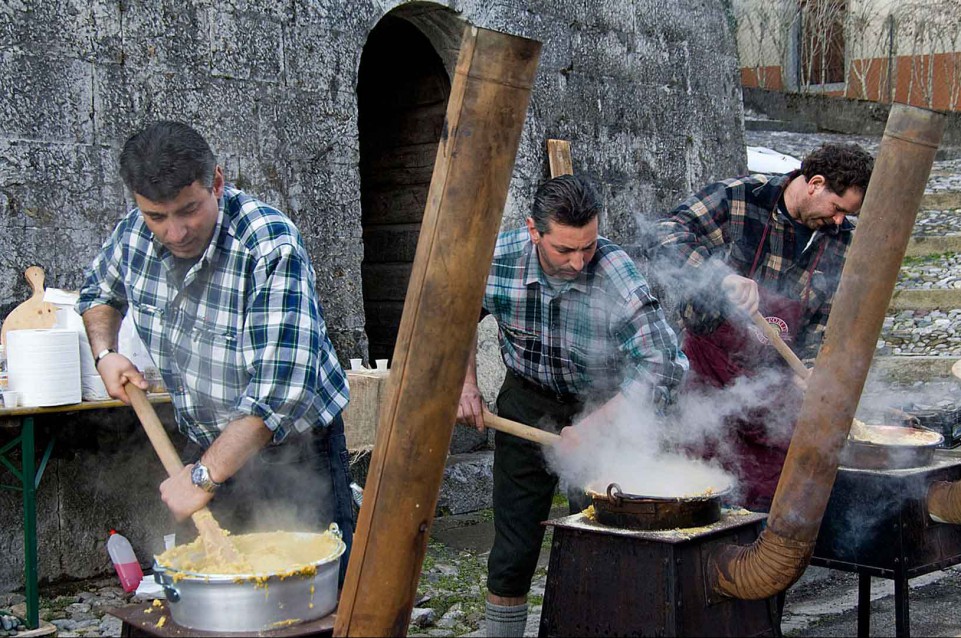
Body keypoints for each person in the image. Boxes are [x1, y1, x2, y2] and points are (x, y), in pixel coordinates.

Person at [76, 121, 355, 582]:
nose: (176, 231)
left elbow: (280, 393)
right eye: (156, 216)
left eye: (189, 210)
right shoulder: (133, 234)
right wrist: (106, 354)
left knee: (316, 592)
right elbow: (97, 295)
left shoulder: (268, 244)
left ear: (217, 183)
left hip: (294, 451)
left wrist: (203, 477)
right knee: (222, 590)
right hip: (203, 440)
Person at [457, 174, 688, 637]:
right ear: (532, 231)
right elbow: (456, 316)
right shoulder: (496, 258)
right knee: (514, 544)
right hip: (525, 400)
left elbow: (665, 363)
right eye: (565, 250)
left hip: (602, 404)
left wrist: (598, 424)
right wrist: (465, 384)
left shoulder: (614, 270)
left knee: (601, 539)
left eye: (587, 246)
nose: (579, 261)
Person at [655, 142, 874, 512]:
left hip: (771, 382)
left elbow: (828, 319)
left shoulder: (840, 242)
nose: (840, 221)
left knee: (774, 488)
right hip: (707, 370)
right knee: (699, 482)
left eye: (847, 214)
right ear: (815, 183)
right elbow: (663, 233)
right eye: (837, 209)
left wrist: (812, 366)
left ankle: (761, 566)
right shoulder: (741, 197)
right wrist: (719, 277)